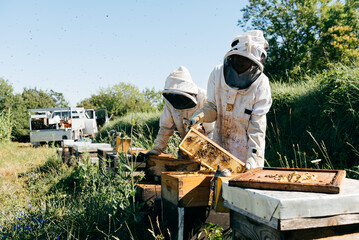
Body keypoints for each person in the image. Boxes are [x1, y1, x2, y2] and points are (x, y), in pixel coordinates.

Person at [188, 30, 272, 170]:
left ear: (254, 62)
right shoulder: (217, 73)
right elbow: (213, 108)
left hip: (246, 154)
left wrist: (252, 158)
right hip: (219, 146)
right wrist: (199, 116)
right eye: (239, 57)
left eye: (245, 60)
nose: (241, 62)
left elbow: (257, 127)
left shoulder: (262, 84)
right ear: (232, 56)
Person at [146, 66, 213, 157]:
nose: (179, 100)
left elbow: (211, 132)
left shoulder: (204, 97)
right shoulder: (170, 102)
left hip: (206, 150)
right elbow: (166, 128)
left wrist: (210, 154)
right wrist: (157, 148)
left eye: (181, 97)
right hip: (185, 149)